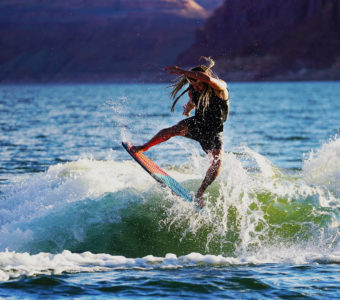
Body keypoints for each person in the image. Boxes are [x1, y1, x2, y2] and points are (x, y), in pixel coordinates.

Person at [131, 57, 229, 208]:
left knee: (217, 161)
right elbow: (193, 101)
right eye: (192, 85)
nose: (194, 88)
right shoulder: (193, 91)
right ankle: (143, 147)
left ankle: (200, 193)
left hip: (213, 132)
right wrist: (188, 109)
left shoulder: (220, 88)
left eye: (196, 84)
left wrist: (181, 71)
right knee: (171, 131)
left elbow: (206, 78)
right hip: (197, 124)